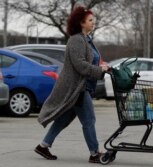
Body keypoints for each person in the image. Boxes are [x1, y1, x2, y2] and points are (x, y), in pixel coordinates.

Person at [34, 6, 109, 163]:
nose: (93, 22)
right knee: (89, 120)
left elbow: (89, 60)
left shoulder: (86, 39)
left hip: (82, 86)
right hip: (77, 88)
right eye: (90, 20)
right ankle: (94, 154)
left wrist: (102, 65)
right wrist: (99, 70)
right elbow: (80, 65)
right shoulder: (76, 40)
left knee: (63, 119)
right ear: (81, 23)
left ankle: (43, 145)